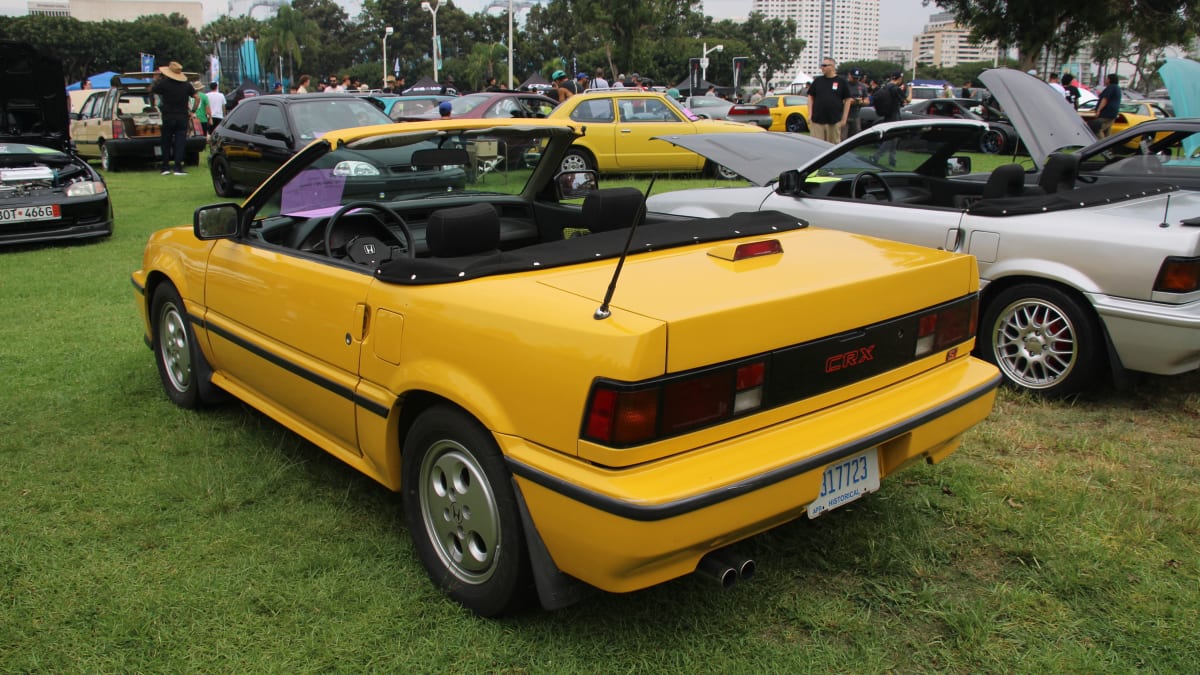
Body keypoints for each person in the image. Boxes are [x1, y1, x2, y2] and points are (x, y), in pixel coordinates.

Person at [151, 61, 198, 175]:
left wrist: (155, 78)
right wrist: (192, 111)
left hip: (168, 116)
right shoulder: (186, 85)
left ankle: (165, 167)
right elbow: (197, 98)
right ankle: (178, 167)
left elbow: (152, 90)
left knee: (166, 141)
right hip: (182, 117)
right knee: (180, 142)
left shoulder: (164, 83)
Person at [806, 57, 851, 143]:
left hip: (834, 121)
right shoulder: (818, 81)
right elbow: (810, 96)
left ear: (832, 66)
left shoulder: (841, 81)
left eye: (824, 65)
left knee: (832, 147)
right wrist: (810, 114)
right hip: (817, 121)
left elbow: (848, 100)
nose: (822, 67)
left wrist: (844, 119)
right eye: (821, 65)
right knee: (816, 145)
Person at [869, 72, 905, 165]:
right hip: (894, 116)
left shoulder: (885, 87)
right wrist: (910, 89)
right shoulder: (896, 89)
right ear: (899, 79)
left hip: (888, 115)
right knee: (890, 139)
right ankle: (876, 156)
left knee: (894, 139)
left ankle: (892, 159)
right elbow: (907, 100)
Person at [844, 68, 870, 140]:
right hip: (844, 115)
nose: (855, 79)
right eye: (853, 77)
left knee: (854, 137)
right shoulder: (844, 85)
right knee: (843, 137)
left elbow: (867, 101)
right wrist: (848, 101)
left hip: (856, 115)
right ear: (849, 75)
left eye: (857, 78)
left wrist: (860, 101)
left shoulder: (862, 87)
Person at [1095, 73, 1122, 138]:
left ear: (1110, 80)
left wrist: (1099, 110)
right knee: (1107, 131)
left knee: (1097, 129)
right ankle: (1108, 145)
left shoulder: (1111, 87)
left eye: (1107, 79)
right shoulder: (1117, 88)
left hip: (1106, 113)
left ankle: (1101, 145)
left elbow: (1105, 99)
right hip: (1112, 113)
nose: (1105, 80)